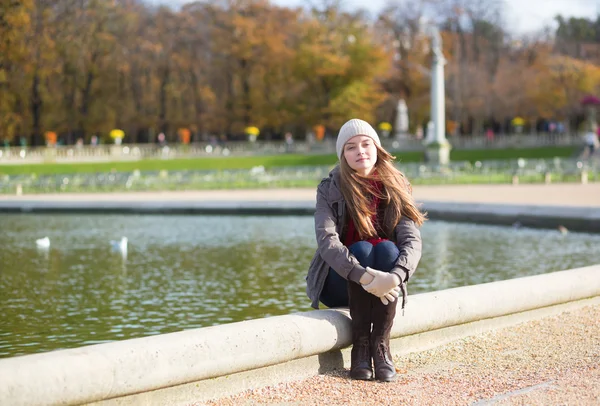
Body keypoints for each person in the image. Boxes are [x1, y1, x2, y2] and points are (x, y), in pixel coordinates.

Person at [306, 118, 426, 382]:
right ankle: (361, 346)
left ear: (377, 148)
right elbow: (327, 241)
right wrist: (364, 276)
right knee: (361, 248)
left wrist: (394, 277)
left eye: (365, 144)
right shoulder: (330, 188)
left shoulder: (396, 184)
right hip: (341, 280)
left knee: (385, 250)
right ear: (342, 155)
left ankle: (381, 346)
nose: (360, 151)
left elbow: (412, 241)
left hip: (386, 276)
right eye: (350, 147)